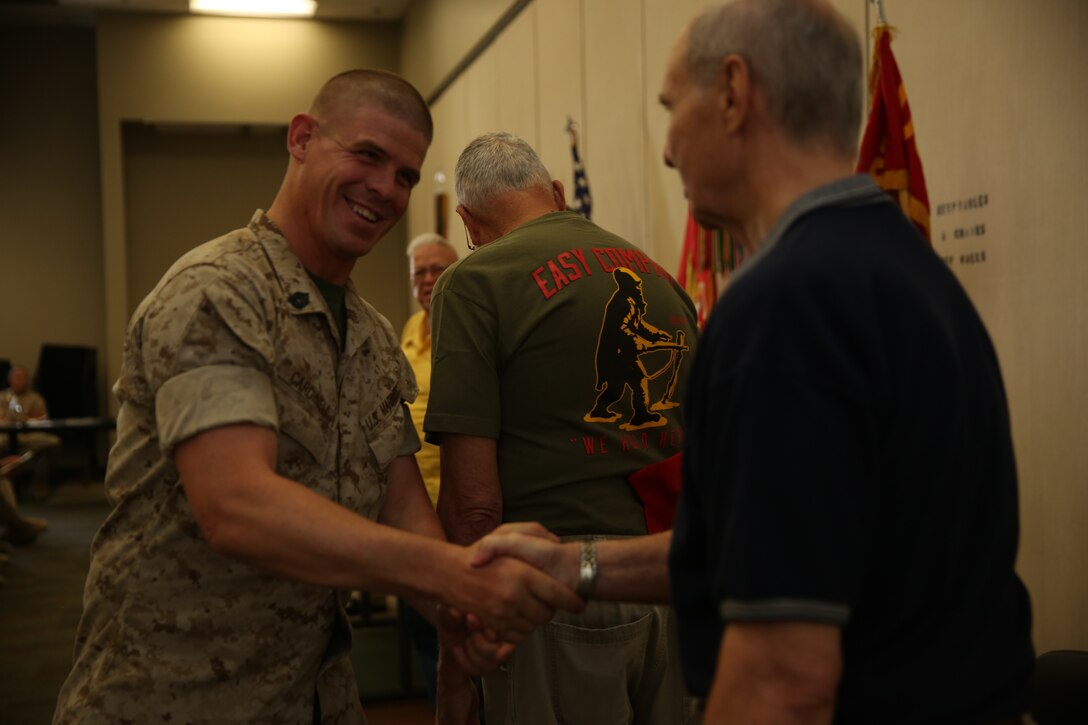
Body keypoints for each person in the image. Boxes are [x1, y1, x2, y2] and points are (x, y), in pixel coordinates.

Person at [473, 1, 1036, 723]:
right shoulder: (910, 274)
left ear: (735, 93)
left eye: (672, 107)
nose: (669, 148)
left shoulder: (786, 304)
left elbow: (782, 675)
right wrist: (578, 564)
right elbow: (765, 546)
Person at [52, 69, 581, 725]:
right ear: (301, 138)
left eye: (406, 175)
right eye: (368, 155)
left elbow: (401, 502)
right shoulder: (219, 292)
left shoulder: (370, 337)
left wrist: (461, 613)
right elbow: (235, 505)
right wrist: (450, 572)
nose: (386, 189)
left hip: (309, 696)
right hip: (169, 698)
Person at [426, 131, 699, 725]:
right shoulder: (661, 279)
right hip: (673, 588)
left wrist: (459, 653)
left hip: (554, 600)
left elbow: (474, 508)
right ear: (554, 192)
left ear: (468, 222)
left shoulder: (474, 281)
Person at [398, 232, 460, 706]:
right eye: (420, 271)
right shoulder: (407, 333)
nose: (427, 279)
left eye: (437, 268)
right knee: (422, 633)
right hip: (410, 513)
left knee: (466, 631)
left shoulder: (470, 329)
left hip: (462, 512)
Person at [0, 364, 61, 499]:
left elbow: (41, 418)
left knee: (53, 443)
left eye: (23, 378)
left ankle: (39, 482)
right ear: (10, 379)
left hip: (30, 435)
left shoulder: (36, 398)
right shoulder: (2, 397)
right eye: (17, 377)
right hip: (4, 437)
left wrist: (22, 419)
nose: (20, 381)